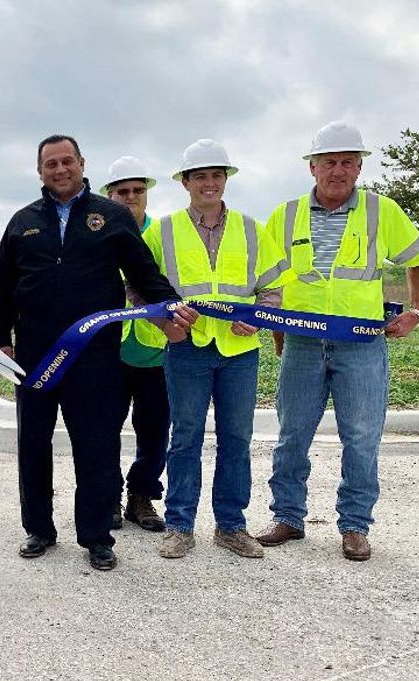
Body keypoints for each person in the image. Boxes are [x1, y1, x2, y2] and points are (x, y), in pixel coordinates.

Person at [0, 135, 190, 571]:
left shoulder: (113, 215)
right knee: (34, 445)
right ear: (39, 170)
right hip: (35, 357)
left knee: (96, 447)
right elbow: (2, 288)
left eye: (67, 161)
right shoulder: (22, 221)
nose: (60, 170)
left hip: (95, 356)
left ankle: (97, 536)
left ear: (81, 163)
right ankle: (39, 529)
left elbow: (144, 273)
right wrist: (1, 339)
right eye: (50, 164)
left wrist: (170, 303)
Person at [256, 121, 419, 561]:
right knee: (292, 434)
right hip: (302, 343)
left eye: (347, 163)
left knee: (361, 436)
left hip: (362, 345)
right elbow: (273, 282)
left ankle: (355, 526)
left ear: (358, 168)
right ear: (312, 168)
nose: (338, 170)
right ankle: (288, 518)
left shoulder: (381, 211)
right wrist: (279, 334)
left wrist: (415, 312)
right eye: (329, 162)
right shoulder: (285, 215)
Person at [143, 139, 295, 561]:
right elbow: (140, 289)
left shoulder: (252, 229)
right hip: (187, 349)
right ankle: (179, 526)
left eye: (216, 175)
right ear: (186, 182)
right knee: (186, 438)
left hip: (239, 350)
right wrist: (167, 325)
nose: (209, 183)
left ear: (225, 180)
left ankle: (230, 526)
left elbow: (273, 288)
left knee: (236, 438)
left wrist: (259, 318)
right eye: (200, 177)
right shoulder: (163, 230)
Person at [102, 156, 168, 533]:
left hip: (154, 350)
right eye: (122, 191)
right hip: (107, 350)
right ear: (109, 195)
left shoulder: (164, 235)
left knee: (155, 430)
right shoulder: (95, 234)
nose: (130, 197)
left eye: (137, 190)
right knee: (104, 428)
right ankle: (108, 496)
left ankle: (141, 496)